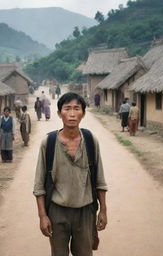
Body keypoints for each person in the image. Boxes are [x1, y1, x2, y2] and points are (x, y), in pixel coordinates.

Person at [33, 92, 108, 256]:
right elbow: (39, 185)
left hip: (85, 211)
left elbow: (100, 180)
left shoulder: (90, 141)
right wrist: (42, 216)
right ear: (60, 113)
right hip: (57, 212)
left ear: (83, 113)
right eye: (67, 109)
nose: (72, 114)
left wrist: (103, 210)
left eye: (77, 108)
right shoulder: (49, 143)